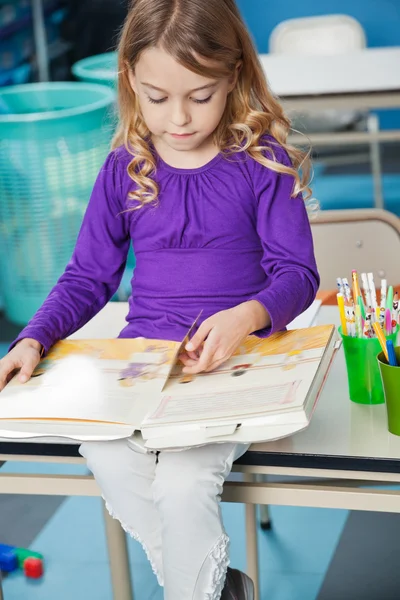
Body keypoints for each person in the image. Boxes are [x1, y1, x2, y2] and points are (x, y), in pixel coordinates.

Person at [0, 0, 319, 597]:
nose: (178, 118)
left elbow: (298, 274)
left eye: (199, 96)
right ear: (131, 82)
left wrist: (246, 316)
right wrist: (33, 337)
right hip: (145, 368)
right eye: (156, 96)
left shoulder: (261, 160)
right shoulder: (126, 166)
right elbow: (86, 278)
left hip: (235, 367)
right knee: (104, 448)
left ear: (233, 77)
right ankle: (217, 588)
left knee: (179, 482)